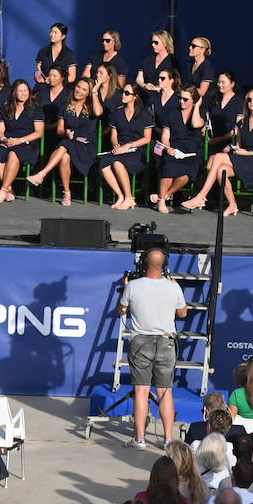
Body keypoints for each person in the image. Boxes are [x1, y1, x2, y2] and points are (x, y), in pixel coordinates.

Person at [119, 248, 188, 447]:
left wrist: (126, 290)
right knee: (165, 392)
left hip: (141, 341)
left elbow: (121, 310)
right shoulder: (173, 287)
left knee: (141, 391)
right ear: (164, 265)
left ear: (143, 264)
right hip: (166, 342)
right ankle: (168, 439)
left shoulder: (133, 286)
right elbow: (183, 314)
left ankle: (140, 439)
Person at [182, 87, 253, 216]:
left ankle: (201, 196)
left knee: (218, 157)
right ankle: (232, 204)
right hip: (242, 156)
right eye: (249, 100)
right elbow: (238, 145)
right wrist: (235, 149)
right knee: (221, 170)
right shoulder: (243, 123)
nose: (251, 102)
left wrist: (248, 153)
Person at [28, 77, 98, 206]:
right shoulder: (65, 106)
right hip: (70, 143)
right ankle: (67, 193)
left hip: (86, 146)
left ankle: (42, 174)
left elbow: (98, 113)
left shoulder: (92, 106)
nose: (79, 91)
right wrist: (65, 133)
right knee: (64, 156)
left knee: (64, 145)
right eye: (78, 87)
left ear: (89, 93)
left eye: (84, 89)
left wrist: (94, 92)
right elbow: (59, 130)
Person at [97, 84, 154, 210]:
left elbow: (147, 138)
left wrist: (129, 145)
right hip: (121, 148)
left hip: (136, 150)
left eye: (127, 93)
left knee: (117, 163)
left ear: (135, 97)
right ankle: (121, 196)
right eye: (123, 92)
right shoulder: (118, 113)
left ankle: (129, 197)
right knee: (104, 164)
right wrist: (116, 144)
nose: (123, 95)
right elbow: (114, 135)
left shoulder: (144, 115)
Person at [0, 80, 44, 203]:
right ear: (14, 92)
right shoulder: (6, 108)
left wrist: (20, 140)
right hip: (8, 139)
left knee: (13, 154)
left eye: (26, 90)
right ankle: (9, 188)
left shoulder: (36, 109)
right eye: (20, 90)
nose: (23, 93)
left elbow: (38, 132)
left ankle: (3, 190)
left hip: (27, 142)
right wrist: (4, 139)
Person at [154, 84, 205, 213]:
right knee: (169, 166)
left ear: (193, 100)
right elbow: (165, 136)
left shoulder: (199, 113)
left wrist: (197, 106)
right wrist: (168, 148)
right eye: (180, 98)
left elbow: (196, 124)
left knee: (188, 172)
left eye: (186, 99)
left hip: (191, 152)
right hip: (174, 149)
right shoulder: (172, 114)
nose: (181, 101)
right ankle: (162, 201)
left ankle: (163, 196)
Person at [34, 22, 77, 88]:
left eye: (55, 33)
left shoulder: (69, 54)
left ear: (63, 36)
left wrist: (54, 81)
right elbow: (38, 70)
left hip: (61, 89)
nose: (52, 34)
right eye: (51, 32)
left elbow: (72, 77)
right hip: (43, 88)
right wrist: (38, 76)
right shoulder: (43, 52)